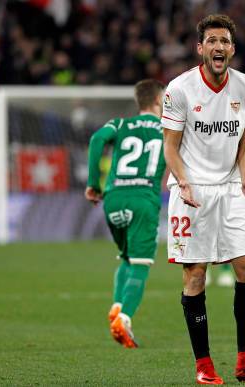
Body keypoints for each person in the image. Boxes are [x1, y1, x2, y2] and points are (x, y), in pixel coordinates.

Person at [162, 14, 245, 385]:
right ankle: (204, 364)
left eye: (224, 41)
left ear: (232, 48)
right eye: (212, 41)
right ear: (201, 49)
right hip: (192, 190)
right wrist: (183, 182)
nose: (218, 47)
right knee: (196, 275)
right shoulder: (179, 89)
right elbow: (170, 145)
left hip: (231, 189)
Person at [85, 79, 166, 349]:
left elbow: (97, 140)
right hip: (143, 199)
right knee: (141, 264)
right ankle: (125, 318)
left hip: (113, 198)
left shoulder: (120, 124)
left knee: (126, 257)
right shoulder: (168, 128)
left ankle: (118, 303)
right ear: (157, 100)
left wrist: (94, 184)